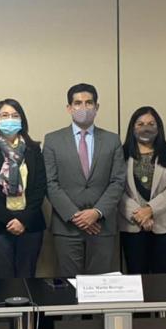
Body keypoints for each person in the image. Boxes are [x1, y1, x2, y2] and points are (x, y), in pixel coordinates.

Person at [44, 83, 126, 276]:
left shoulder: (112, 140)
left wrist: (96, 213)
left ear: (97, 107)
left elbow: (118, 181)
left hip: (102, 226)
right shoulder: (53, 140)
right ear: (69, 108)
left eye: (89, 103)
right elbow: (50, 183)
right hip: (66, 227)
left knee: (100, 285)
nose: (83, 107)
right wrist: (76, 216)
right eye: (78, 103)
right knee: (69, 284)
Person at [0, 99, 46, 279]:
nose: (10, 119)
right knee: (1, 283)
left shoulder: (33, 149)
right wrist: (10, 219)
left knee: (27, 280)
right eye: (5, 115)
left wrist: (23, 220)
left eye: (15, 115)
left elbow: (40, 187)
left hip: (29, 225)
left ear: (22, 120)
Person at [118, 106, 166, 274]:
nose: (145, 128)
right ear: (132, 128)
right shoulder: (121, 154)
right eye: (140, 124)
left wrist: (150, 210)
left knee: (164, 279)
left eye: (151, 124)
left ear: (158, 127)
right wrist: (139, 215)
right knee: (136, 277)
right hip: (133, 226)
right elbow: (117, 189)